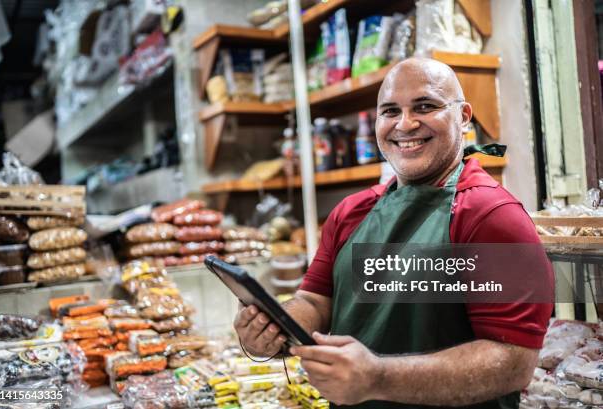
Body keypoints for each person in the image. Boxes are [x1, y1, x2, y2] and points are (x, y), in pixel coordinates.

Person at [233, 58, 554, 409]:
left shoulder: (491, 215)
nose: (405, 124)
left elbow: (512, 362)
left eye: (425, 106)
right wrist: (274, 327)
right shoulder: (350, 213)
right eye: (389, 111)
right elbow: (315, 302)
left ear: (463, 117)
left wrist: (379, 377)